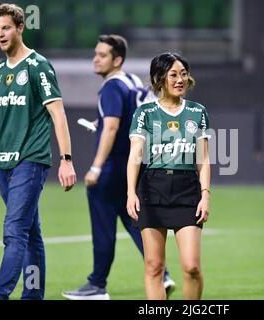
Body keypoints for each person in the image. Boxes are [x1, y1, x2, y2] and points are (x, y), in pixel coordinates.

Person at [0, 3, 77, 300]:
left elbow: (58, 114)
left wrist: (66, 160)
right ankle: (33, 295)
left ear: (20, 28)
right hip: (4, 163)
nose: (1, 34)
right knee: (30, 233)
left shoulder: (38, 66)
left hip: (31, 161)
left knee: (14, 231)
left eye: (6, 28)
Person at [62, 35, 175, 300]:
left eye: (102, 55)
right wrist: (102, 124)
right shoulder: (134, 81)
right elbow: (132, 119)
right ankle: (163, 274)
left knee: (103, 225)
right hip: (136, 167)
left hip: (113, 168)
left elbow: (112, 126)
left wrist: (96, 168)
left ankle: (96, 286)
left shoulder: (112, 86)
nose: (96, 58)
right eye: (96, 53)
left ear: (118, 60)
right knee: (135, 221)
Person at [127, 53, 211, 300]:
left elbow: (203, 159)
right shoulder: (145, 112)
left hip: (187, 191)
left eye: (183, 74)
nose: (180, 79)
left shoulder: (198, 112)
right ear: (159, 78)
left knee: (192, 267)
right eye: (173, 74)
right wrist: (131, 192)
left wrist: (205, 195)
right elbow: (135, 155)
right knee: (154, 266)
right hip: (152, 189)